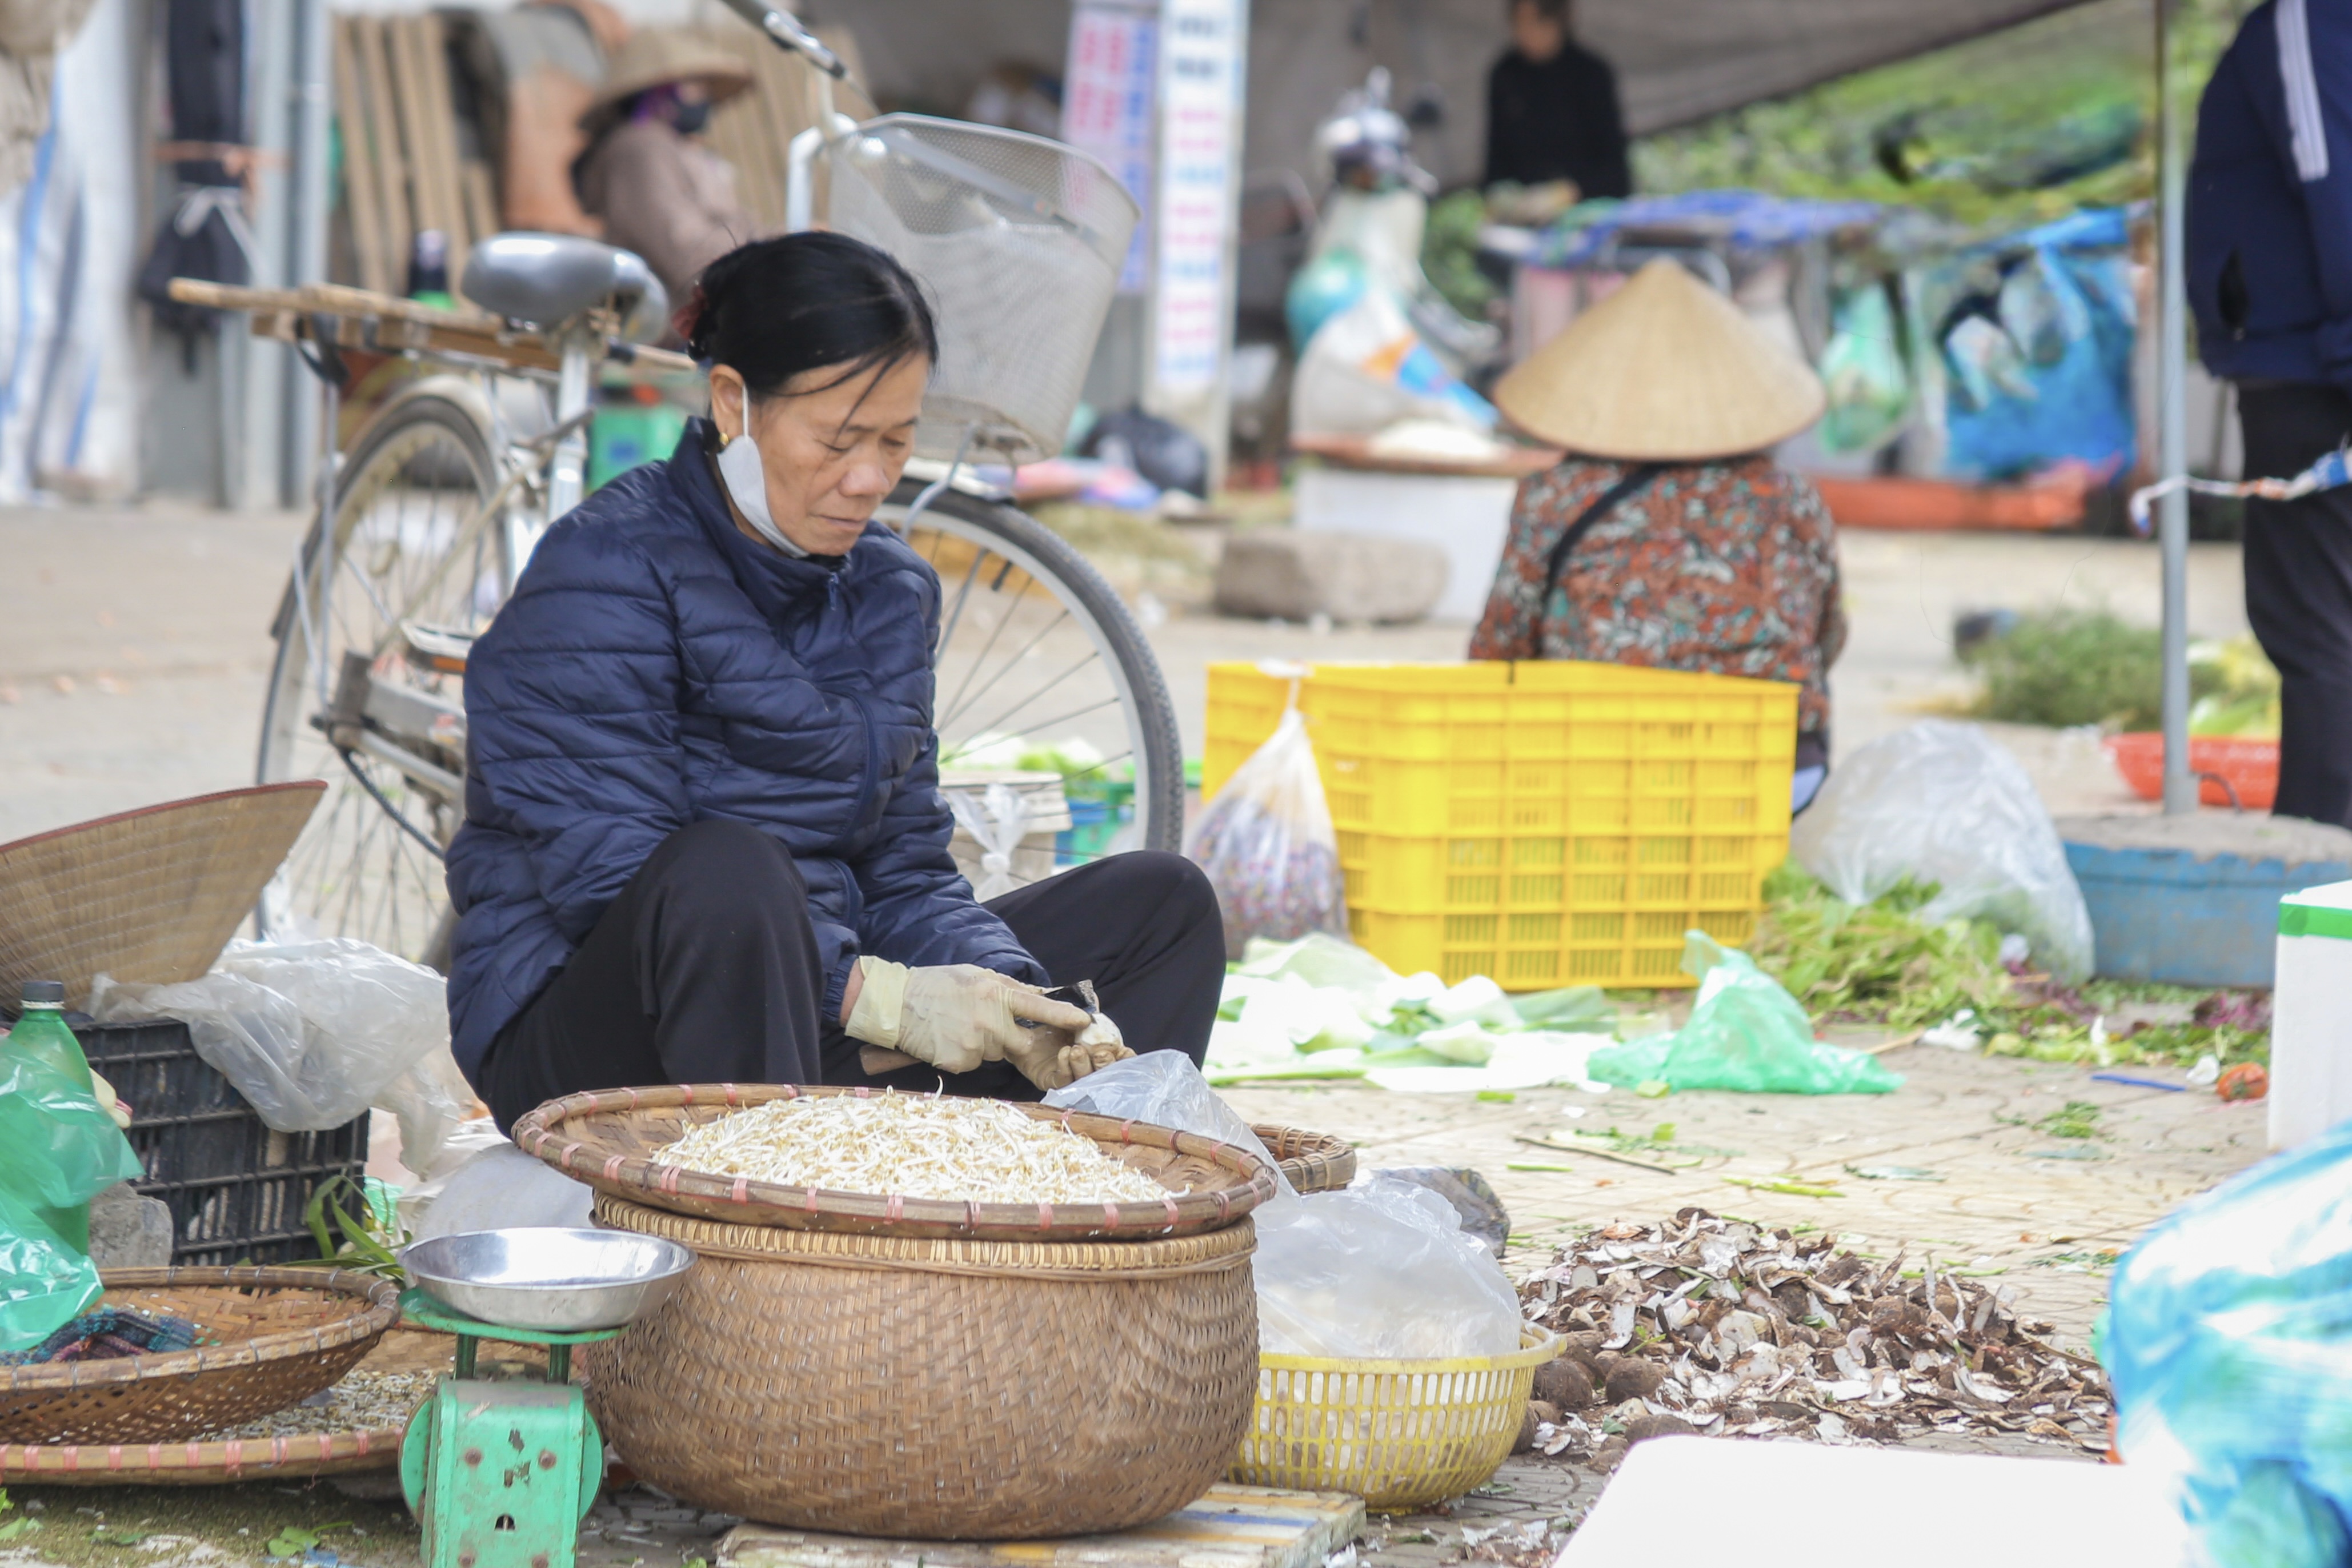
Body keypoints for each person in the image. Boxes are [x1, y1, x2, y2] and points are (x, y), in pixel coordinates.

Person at [445, 232, 1226, 1131]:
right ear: (734, 402)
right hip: (601, 1028)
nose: (868, 479)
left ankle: (1062, 1205)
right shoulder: (603, 568)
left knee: (1163, 908)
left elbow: (905, 867)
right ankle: (778, 1211)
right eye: (838, 440)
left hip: (817, 1015)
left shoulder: (892, 589)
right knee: (728, 871)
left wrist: (1013, 999)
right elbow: (609, 878)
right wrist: (879, 1000)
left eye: (896, 441)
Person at [1468, 258, 1843, 809]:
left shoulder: (1553, 496)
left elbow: (1501, 648)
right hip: (1773, 776)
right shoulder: (1787, 495)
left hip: (1599, 776)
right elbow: (1825, 633)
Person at [2188, 0, 2352, 828]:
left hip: (2311, 378)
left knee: (2316, 632)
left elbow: (2333, 180)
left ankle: (2324, 895)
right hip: (2310, 365)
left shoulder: (2306, 19)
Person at [575, 29, 758, 307]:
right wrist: (774, 248)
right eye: (693, 84)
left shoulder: (679, 150)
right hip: (672, 330)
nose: (704, 96)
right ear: (660, 91)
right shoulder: (641, 149)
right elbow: (691, 258)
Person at [1482, 0, 1629, 199]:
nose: (1526, 32)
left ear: (1560, 20)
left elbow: (1616, 171)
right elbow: (1496, 162)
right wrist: (1505, 199)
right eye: (1519, 22)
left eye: (1537, 22)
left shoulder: (1591, 74)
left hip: (1589, 206)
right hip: (1526, 211)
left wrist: (1567, 194)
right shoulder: (1505, 76)